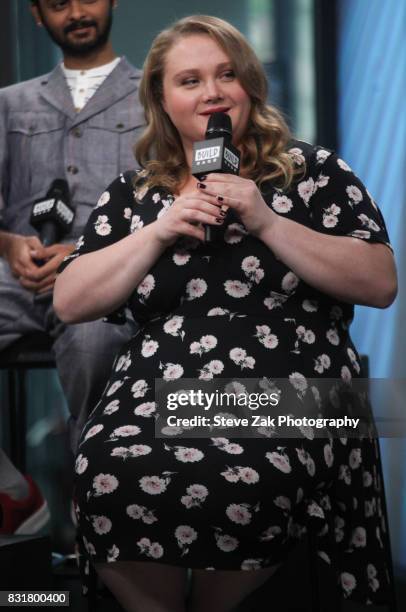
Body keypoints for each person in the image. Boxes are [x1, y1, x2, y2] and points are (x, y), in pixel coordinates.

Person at [54, 15, 397, 612]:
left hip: (300, 388)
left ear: (250, 86)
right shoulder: (136, 195)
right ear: (162, 99)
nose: (212, 92)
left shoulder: (313, 172)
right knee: (105, 472)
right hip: (159, 392)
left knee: (242, 483)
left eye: (226, 75)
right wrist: (158, 231)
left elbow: (381, 283)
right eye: (190, 80)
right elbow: (71, 299)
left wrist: (266, 220)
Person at [0, 0, 143, 533]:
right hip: (14, 279)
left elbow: (165, 204)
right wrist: (9, 243)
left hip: (105, 279)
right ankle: (14, 491)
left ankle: (103, 514)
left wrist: (85, 252)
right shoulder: (10, 104)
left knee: (97, 346)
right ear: (38, 15)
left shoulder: (154, 95)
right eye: (58, 3)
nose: (76, 12)